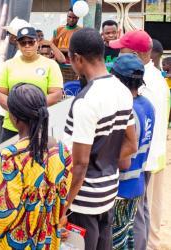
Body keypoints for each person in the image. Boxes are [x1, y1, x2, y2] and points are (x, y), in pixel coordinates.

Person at [62, 28, 137, 250]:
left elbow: (81, 163)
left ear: (77, 58)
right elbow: (131, 144)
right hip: (108, 194)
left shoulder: (86, 101)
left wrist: (64, 206)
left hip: (83, 202)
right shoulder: (122, 90)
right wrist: (104, 160)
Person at [0, 83, 72, 249]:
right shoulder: (61, 151)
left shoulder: (11, 158)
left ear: (14, 117)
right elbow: (63, 198)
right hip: (45, 241)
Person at [110, 30, 170, 250]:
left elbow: (138, 125)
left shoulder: (146, 85)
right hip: (147, 155)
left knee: (134, 216)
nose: (118, 55)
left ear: (134, 53)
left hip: (140, 158)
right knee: (140, 212)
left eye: (121, 51)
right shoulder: (153, 78)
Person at [110, 54, 155, 250]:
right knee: (128, 238)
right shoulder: (148, 105)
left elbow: (123, 157)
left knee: (116, 242)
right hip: (137, 183)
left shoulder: (125, 110)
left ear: (119, 81)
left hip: (121, 187)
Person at [0, 27, 63, 142]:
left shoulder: (51, 65)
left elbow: (56, 94)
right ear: (18, 45)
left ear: (37, 42)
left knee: (38, 159)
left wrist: (31, 110)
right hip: (12, 126)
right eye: (23, 42)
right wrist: (17, 109)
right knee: (8, 159)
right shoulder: (8, 65)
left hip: (39, 126)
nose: (27, 45)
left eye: (31, 42)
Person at [0, 17, 32, 146]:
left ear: (15, 38)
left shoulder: (16, 59)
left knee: (4, 152)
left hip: (8, 115)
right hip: (13, 114)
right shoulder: (18, 57)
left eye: (9, 34)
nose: (7, 37)